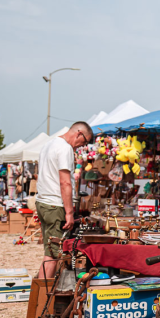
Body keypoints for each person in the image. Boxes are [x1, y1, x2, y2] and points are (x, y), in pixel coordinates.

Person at [35, 121, 93, 282]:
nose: (82, 146)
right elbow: (65, 182)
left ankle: (42, 290)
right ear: (79, 133)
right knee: (53, 254)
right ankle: (43, 293)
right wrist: (69, 212)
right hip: (55, 205)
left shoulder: (48, 144)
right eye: (85, 141)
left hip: (43, 202)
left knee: (49, 251)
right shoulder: (65, 148)